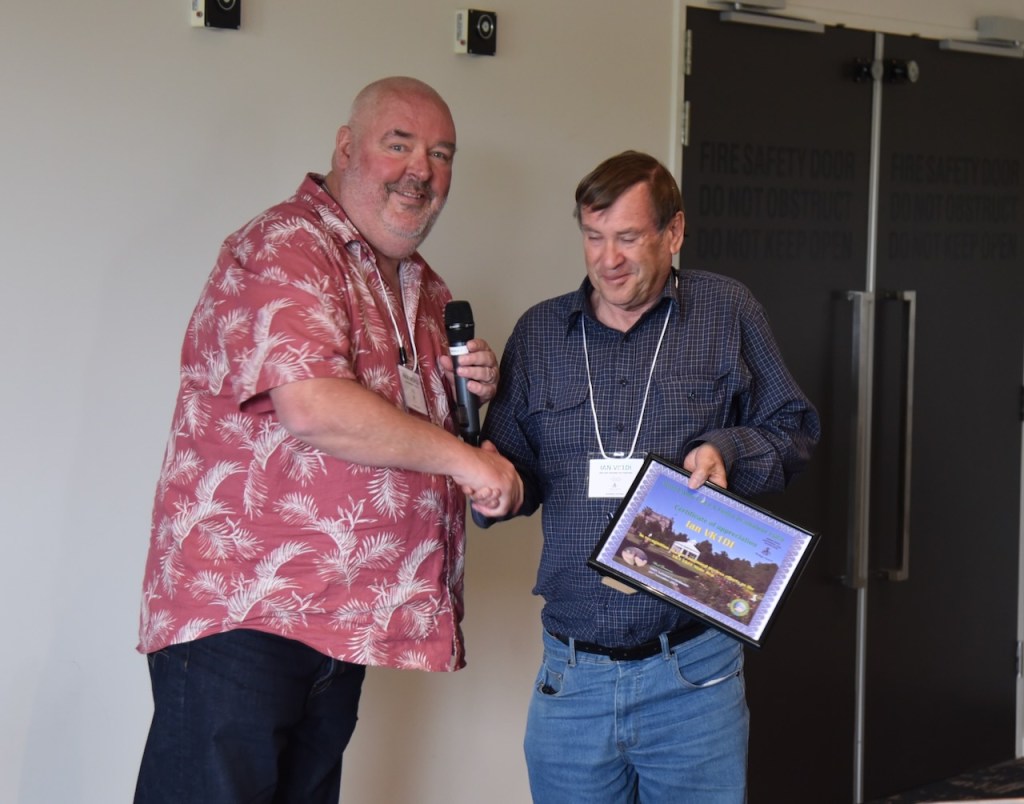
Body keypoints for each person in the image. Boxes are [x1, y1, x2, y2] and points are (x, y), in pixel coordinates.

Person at [134, 76, 522, 804]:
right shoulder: (289, 244)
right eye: (399, 144)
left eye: (441, 155)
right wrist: (464, 459)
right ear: (346, 148)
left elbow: (410, 443)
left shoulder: (427, 292)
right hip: (246, 615)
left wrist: (475, 418)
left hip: (342, 626)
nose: (421, 170)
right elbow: (312, 406)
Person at [476, 150, 820, 803]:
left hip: (692, 674)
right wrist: (498, 487)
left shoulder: (727, 310)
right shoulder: (541, 333)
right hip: (572, 678)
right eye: (593, 236)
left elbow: (795, 430)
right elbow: (511, 470)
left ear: (674, 232)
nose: (608, 259)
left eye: (628, 238)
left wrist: (726, 449)